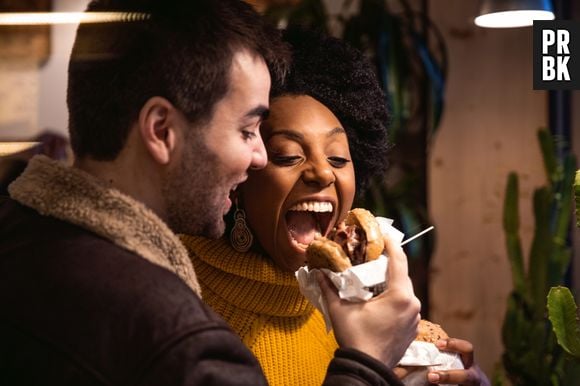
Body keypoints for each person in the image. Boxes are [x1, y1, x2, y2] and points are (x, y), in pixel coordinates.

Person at [0, 1, 420, 385]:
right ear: (162, 130)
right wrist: (366, 363)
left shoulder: (19, 239)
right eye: (247, 131)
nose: (258, 157)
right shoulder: (184, 342)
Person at [182, 28, 490, 386]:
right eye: (288, 156)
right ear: (240, 175)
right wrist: (364, 362)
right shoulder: (182, 307)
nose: (323, 172)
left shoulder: (366, 311)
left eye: (339, 158)